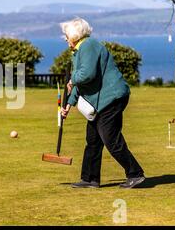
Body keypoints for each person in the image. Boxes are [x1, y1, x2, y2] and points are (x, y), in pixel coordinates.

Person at [60, 18, 145, 189]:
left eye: (66, 35)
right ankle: (90, 179)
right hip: (99, 101)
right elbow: (80, 82)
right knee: (93, 140)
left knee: (110, 138)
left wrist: (72, 78)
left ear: (75, 35)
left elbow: (86, 75)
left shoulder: (88, 46)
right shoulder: (77, 51)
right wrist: (69, 103)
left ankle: (135, 174)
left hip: (111, 98)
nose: (65, 38)